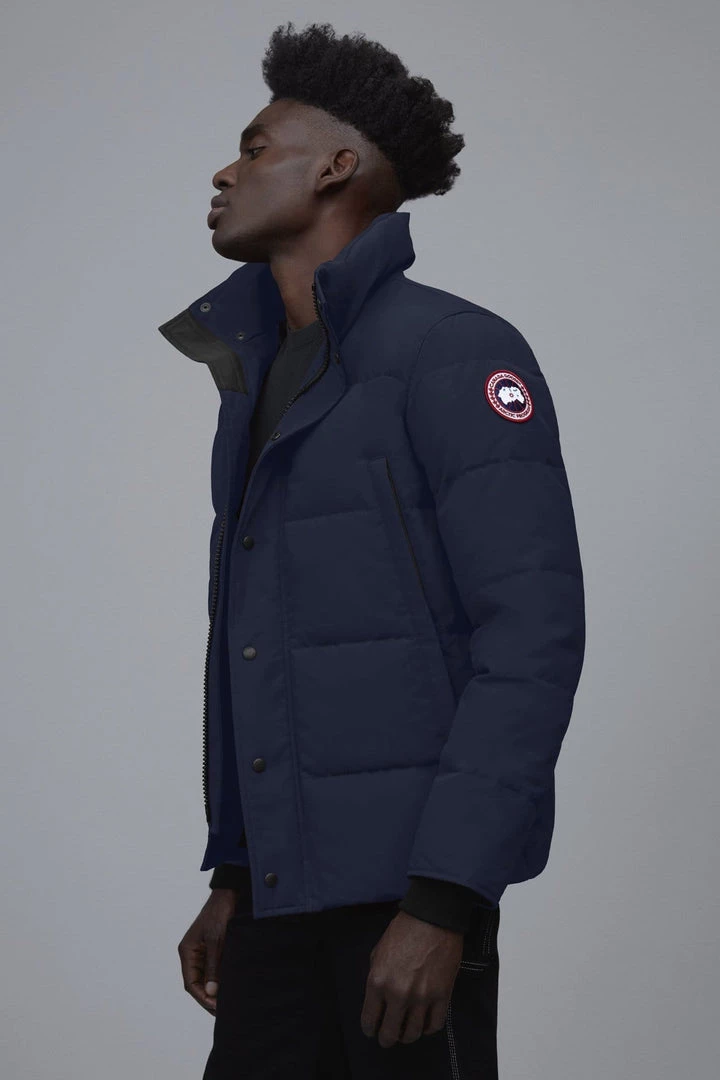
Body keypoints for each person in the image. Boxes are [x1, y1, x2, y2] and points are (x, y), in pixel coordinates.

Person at [158, 19, 586, 1080]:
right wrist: (238, 871)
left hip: (408, 905)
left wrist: (445, 900)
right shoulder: (259, 379)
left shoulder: (456, 350)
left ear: (336, 166)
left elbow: (530, 637)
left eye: (255, 147)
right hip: (279, 900)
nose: (224, 172)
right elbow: (266, 643)